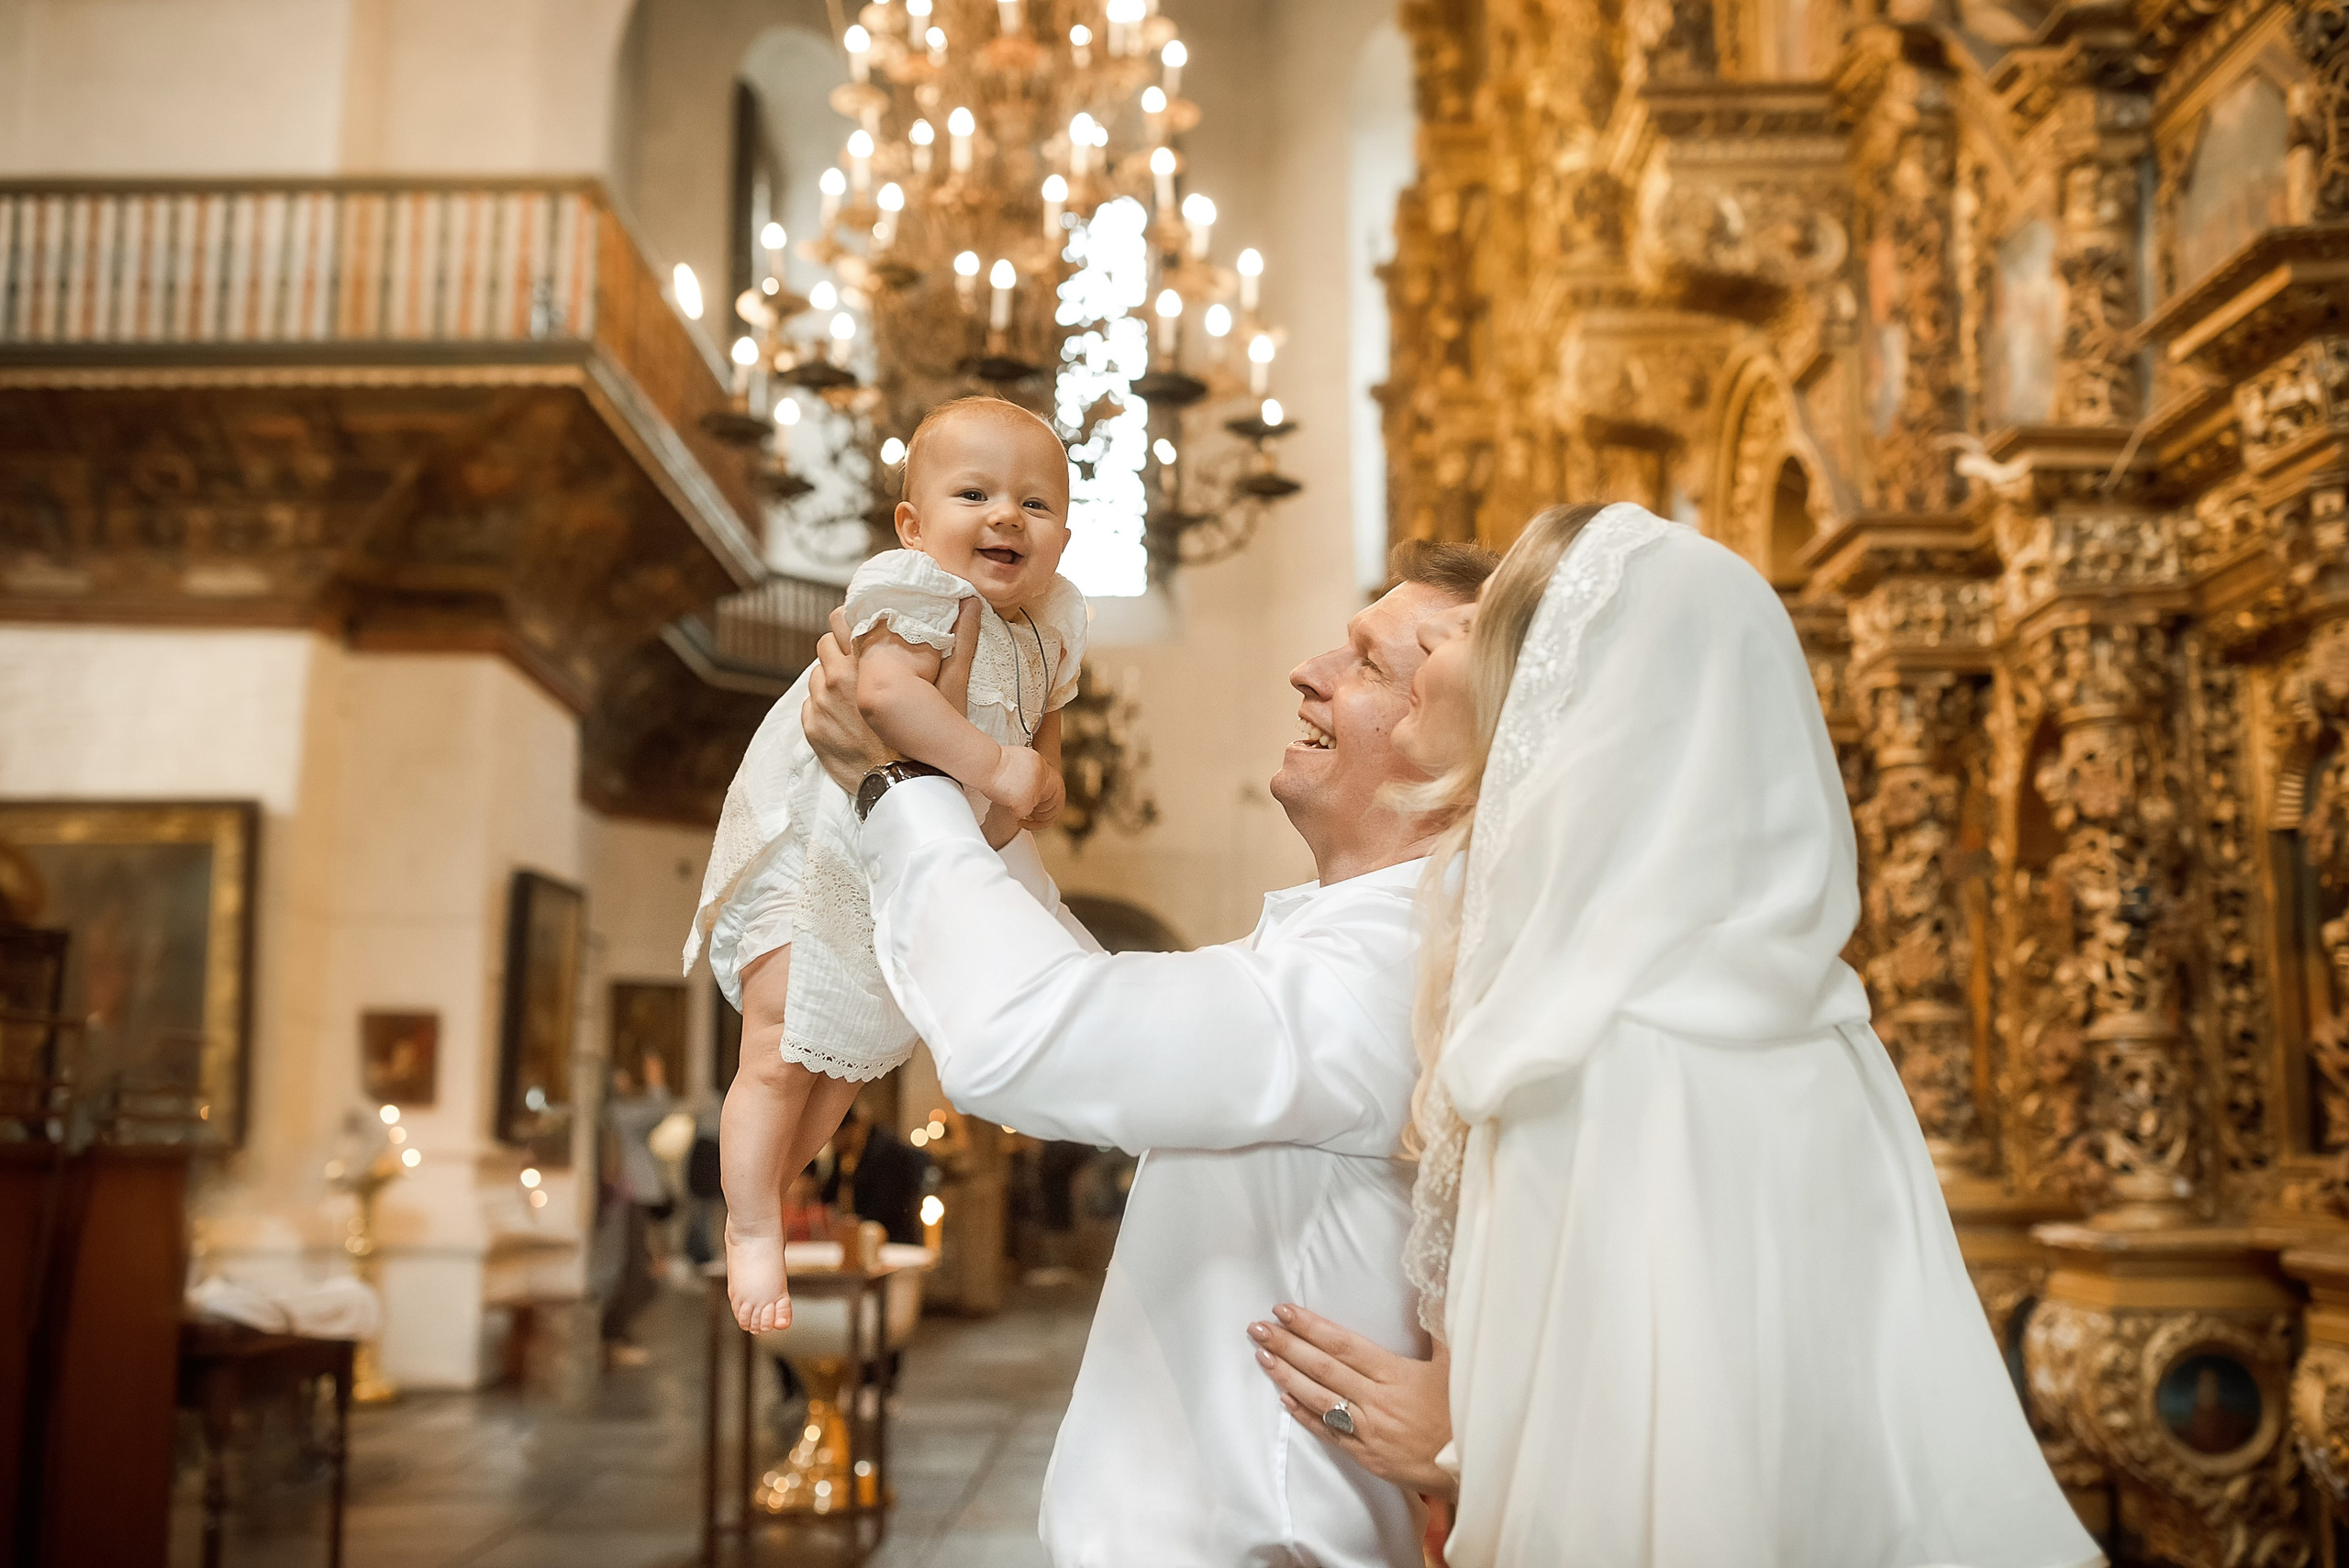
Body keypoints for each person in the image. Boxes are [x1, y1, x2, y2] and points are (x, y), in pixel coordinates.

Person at [1252, 502, 2100, 1567]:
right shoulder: (1636, 995)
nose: (1434, 645)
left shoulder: (1640, 1036)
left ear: (1564, 694)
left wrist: (1479, 1442)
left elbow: (1700, 1440)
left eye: (1470, 629)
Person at [797, 540, 1499, 1568]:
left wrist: (896, 786)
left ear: (1460, 745)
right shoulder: (1366, 940)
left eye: (1368, 662)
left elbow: (1029, 1035)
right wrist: (980, 819)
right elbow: (1105, 1014)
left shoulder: (1390, 966)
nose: (1308, 670)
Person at [683, 395, 1088, 1335]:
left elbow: (1046, 721)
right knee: (782, 1046)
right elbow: (883, 695)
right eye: (974, 493)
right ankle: (746, 1224)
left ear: (1064, 535)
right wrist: (994, 769)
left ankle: (771, 1188)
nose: (1004, 517)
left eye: (1035, 504)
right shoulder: (916, 591)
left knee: (845, 1063)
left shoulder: (1051, 619)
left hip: (901, 861)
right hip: (822, 843)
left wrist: (1044, 778)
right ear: (912, 523)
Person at [598, 1053, 674, 1368]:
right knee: (635, 1271)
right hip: (630, 1198)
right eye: (621, 1076)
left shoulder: (619, 1113)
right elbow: (658, 1110)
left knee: (641, 1270)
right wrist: (656, 1079)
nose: (627, 1081)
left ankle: (617, 1336)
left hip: (633, 1197)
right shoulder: (619, 1113)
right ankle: (613, 1336)